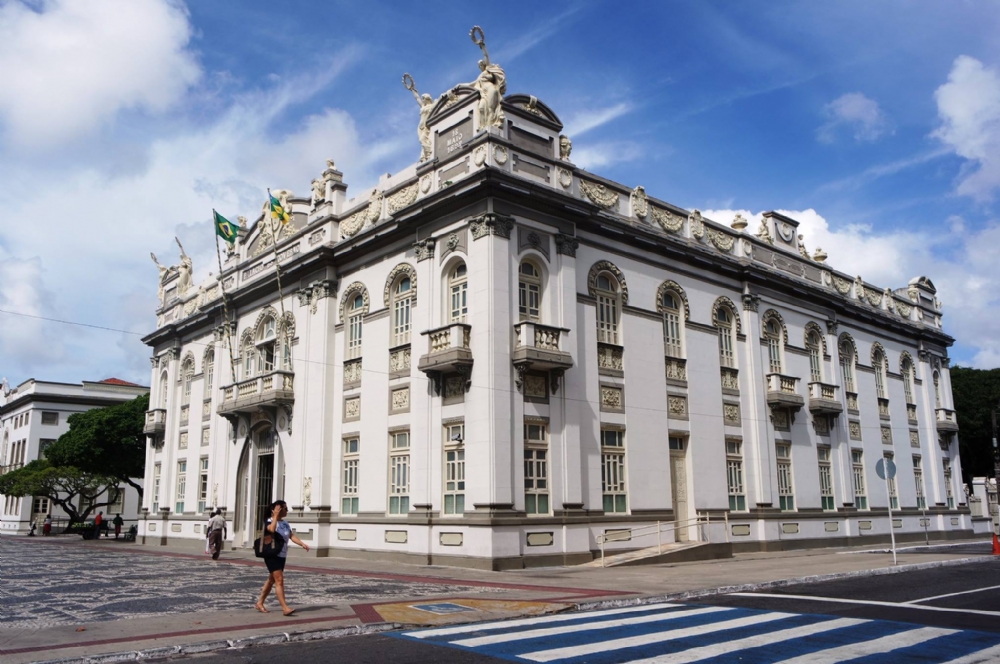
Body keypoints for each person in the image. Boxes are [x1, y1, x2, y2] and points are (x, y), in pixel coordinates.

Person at [255, 500, 309, 616]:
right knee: (279, 580)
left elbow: (291, 536)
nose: (287, 510)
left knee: (272, 579)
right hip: (272, 554)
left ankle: (259, 603)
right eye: (285, 508)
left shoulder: (285, 523)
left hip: (282, 554)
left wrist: (302, 544)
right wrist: (274, 516)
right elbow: (272, 530)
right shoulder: (269, 521)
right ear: (277, 510)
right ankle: (285, 608)